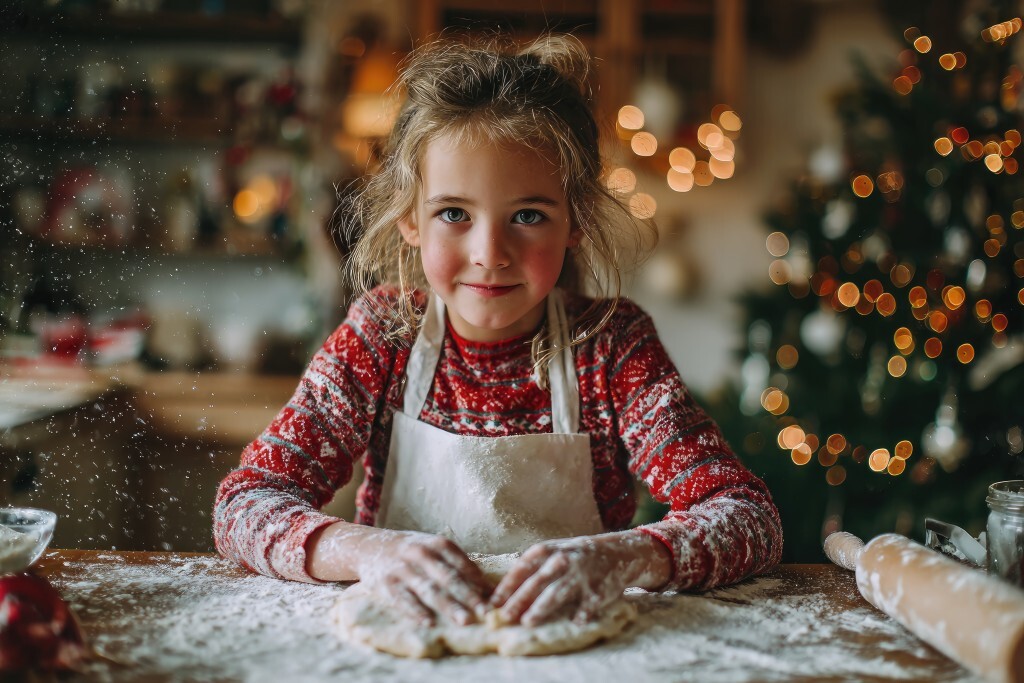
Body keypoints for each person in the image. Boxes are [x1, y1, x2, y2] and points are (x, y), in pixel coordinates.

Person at [214, 33, 782, 629]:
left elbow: (747, 517)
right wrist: (368, 550)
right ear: (411, 218)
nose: (490, 253)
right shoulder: (383, 338)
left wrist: (622, 556)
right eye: (454, 213)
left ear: (576, 223)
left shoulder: (611, 348)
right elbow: (245, 505)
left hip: (575, 659)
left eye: (528, 216)